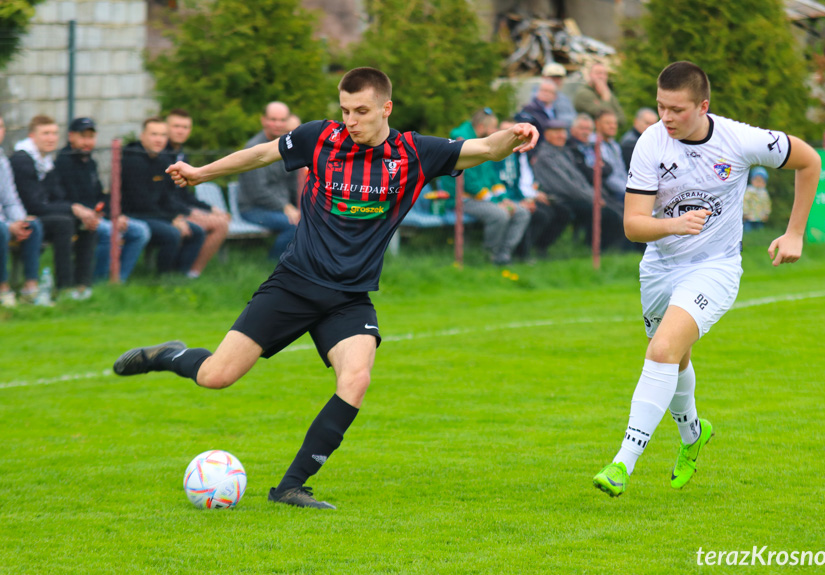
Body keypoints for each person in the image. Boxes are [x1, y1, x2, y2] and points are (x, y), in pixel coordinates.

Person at [111, 67, 539, 510]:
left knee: (356, 378)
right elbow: (261, 155)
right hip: (294, 285)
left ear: (386, 108)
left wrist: (517, 132)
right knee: (215, 376)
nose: (351, 120)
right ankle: (170, 355)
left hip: (348, 298)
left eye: (361, 111)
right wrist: (201, 172)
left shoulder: (415, 152)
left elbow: (486, 147)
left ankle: (291, 486)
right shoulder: (321, 138)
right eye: (345, 109)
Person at [592, 61, 821, 498]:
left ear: (703, 106)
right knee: (674, 358)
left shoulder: (740, 139)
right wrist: (674, 226)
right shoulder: (650, 143)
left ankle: (623, 462)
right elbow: (633, 225)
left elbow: (809, 160)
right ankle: (694, 433)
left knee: (661, 349)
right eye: (660, 106)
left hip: (715, 267)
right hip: (659, 267)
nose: (666, 117)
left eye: (676, 109)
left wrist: (794, 232)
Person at [11, 115, 99, 300]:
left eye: (54, 133)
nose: (51, 138)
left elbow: (57, 196)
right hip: (23, 217)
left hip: (40, 214)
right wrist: (73, 208)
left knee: (87, 223)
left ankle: (82, 285)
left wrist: (80, 212)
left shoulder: (46, 161)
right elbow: (33, 205)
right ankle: (64, 287)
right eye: (45, 133)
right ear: (32, 136)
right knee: (64, 223)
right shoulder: (22, 160)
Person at [55, 117, 151, 284]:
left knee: (140, 231)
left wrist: (115, 215)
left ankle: (117, 280)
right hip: (78, 218)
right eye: (83, 136)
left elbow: (100, 195)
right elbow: (68, 198)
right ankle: (97, 281)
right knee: (110, 233)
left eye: (91, 137)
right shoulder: (63, 162)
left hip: (98, 215)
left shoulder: (90, 162)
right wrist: (95, 215)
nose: (88, 142)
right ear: (71, 136)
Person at [120, 117, 204, 276]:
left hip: (156, 214)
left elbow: (167, 197)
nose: (159, 139)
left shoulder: (163, 160)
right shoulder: (132, 161)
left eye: (163, 135)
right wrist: (171, 219)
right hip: (135, 215)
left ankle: (180, 276)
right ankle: (162, 278)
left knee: (197, 232)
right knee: (172, 234)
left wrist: (177, 216)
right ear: (142, 136)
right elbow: (140, 202)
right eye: (154, 134)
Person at [448, 109, 530, 265]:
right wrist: (496, 202)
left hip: (484, 197)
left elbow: (493, 178)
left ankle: (504, 255)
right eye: (493, 127)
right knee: (500, 215)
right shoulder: (463, 143)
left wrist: (504, 199)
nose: (495, 131)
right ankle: (488, 255)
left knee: (521, 213)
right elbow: (470, 183)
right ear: (480, 126)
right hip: (463, 198)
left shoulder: (482, 142)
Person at [532, 119, 625, 253]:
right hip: (562, 198)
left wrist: (595, 195)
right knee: (605, 213)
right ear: (546, 135)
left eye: (562, 132)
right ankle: (594, 249)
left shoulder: (565, 152)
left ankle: (607, 249)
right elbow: (566, 185)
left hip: (579, 195)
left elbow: (579, 179)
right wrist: (592, 197)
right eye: (556, 132)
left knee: (617, 209)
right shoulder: (546, 156)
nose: (561, 136)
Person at [163, 109, 230, 278]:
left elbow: (185, 193)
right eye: (176, 126)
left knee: (222, 218)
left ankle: (192, 272)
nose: (181, 130)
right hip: (166, 212)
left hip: (180, 208)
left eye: (185, 127)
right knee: (220, 224)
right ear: (167, 128)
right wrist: (190, 212)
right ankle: (191, 273)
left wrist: (210, 208)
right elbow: (163, 196)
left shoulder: (181, 153)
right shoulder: (160, 153)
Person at [238, 103, 302, 260]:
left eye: (282, 120)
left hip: (281, 208)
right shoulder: (254, 148)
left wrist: (301, 207)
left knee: (312, 220)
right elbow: (258, 192)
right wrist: (286, 207)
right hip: (254, 209)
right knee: (296, 226)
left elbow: (292, 185)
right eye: (273, 119)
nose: (278, 124)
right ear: (263, 120)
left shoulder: (286, 145)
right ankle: (273, 263)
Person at [493, 119, 553, 260]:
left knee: (541, 213)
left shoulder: (514, 154)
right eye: (504, 132)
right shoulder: (493, 155)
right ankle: (515, 253)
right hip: (500, 198)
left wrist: (524, 199)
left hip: (515, 197)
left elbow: (517, 183)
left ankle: (524, 251)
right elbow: (493, 182)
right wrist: (508, 200)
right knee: (526, 213)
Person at [0, 113, 43, 306]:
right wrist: (9, 226)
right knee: (1, 231)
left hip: (5, 222)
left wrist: (19, 222)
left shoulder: (2, 162)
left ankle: (30, 290)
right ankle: (3, 290)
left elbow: (11, 200)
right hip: (2, 226)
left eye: (1, 127)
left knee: (33, 225)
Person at [590, 110, 628, 204]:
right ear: (597, 124)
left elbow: (621, 171)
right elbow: (608, 177)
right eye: (608, 123)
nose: (613, 126)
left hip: (623, 189)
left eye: (615, 123)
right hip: (609, 192)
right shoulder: (593, 143)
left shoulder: (615, 145)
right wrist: (628, 192)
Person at [574, 62, 626, 126]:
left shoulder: (608, 93)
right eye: (598, 73)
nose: (601, 77)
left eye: (604, 74)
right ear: (590, 75)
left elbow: (622, 119)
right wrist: (605, 98)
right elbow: (601, 116)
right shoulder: (583, 94)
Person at [537, 62, 577, 129]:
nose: (556, 81)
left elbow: (574, 117)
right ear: (544, 77)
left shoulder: (564, 98)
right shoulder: (538, 97)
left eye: (559, 78)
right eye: (553, 77)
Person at [742, 166, 771, 232]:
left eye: (761, 181)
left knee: (759, 230)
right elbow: (745, 202)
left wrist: (766, 213)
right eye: (757, 180)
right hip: (749, 216)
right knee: (748, 230)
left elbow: (767, 204)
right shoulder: (749, 191)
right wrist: (745, 213)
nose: (758, 183)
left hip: (760, 215)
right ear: (752, 180)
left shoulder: (764, 193)